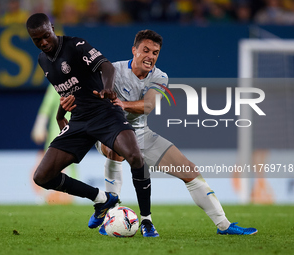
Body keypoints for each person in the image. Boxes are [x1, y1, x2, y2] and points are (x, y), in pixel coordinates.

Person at [61, 29, 258, 235]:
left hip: (140, 134)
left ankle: (224, 225)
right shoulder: (113, 70)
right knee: (116, 150)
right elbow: (81, 88)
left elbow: (148, 106)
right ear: (134, 50)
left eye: (155, 52)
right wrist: (65, 108)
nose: (150, 56)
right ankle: (110, 212)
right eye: (146, 50)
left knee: (190, 171)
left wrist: (122, 104)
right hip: (108, 131)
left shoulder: (160, 76)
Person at [26, 13, 157, 236]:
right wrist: (60, 115)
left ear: (53, 29)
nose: (44, 43)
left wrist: (107, 88)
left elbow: (107, 67)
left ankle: (146, 220)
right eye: (37, 40)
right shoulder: (42, 60)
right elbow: (65, 91)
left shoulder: (76, 45)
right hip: (79, 120)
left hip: (105, 112)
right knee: (42, 177)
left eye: (46, 36)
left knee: (135, 157)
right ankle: (102, 199)